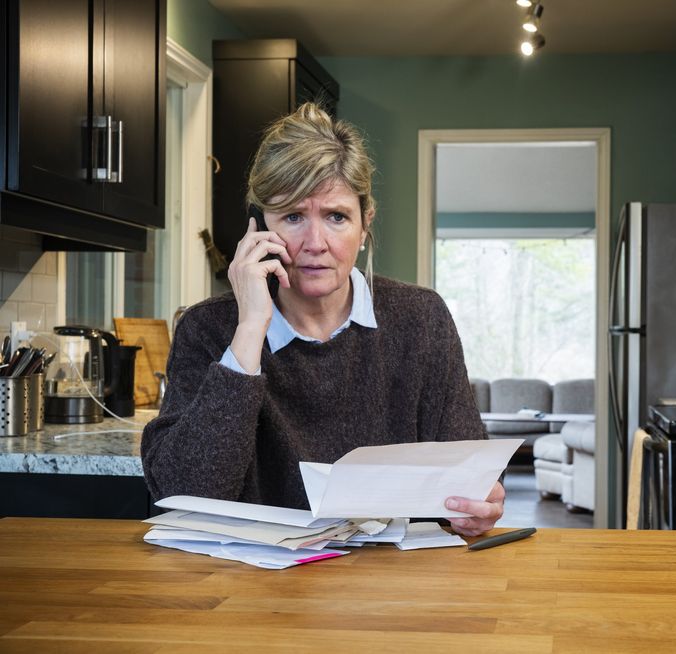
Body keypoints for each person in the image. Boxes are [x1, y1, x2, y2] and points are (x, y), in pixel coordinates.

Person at [141, 102, 503, 537]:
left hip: (392, 585)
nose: (316, 242)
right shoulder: (208, 328)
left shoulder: (422, 319)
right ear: (258, 228)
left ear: (365, 224)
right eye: (293, 216)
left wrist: (474, 509)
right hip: (249, 589)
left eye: (336, 217)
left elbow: (465, 488)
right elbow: (186, 494)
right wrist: (251, 327)